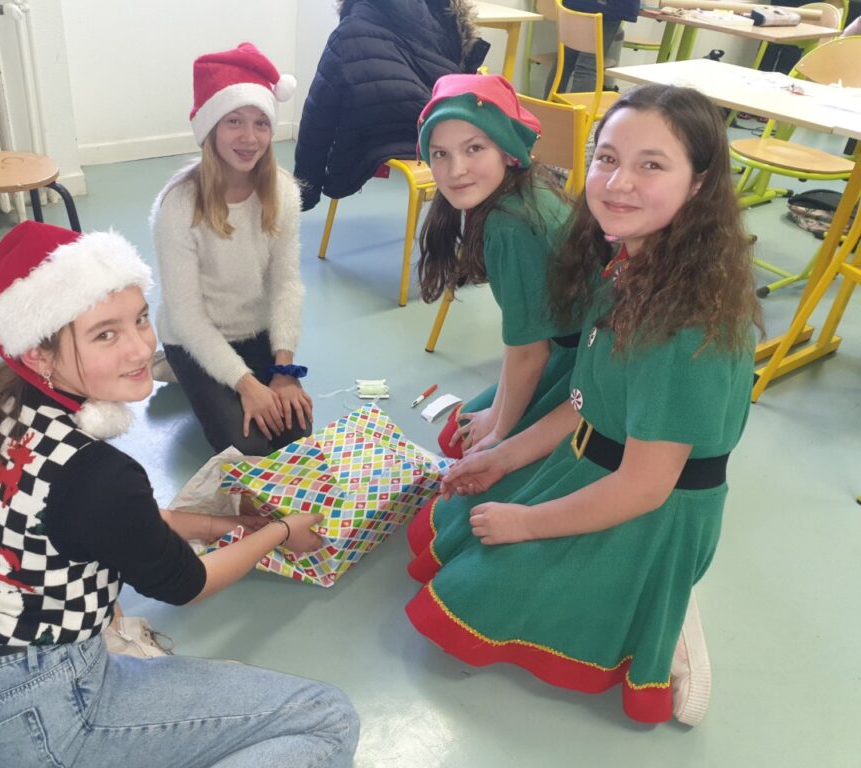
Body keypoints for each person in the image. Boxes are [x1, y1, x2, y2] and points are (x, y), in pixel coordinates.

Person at [0, 221, 360, 767]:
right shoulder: (99, 474)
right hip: (39, 721)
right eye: (105, 334)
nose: (141, 347)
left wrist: (223, 527)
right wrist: (281, 531)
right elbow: (189, 584)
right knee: (328, 717)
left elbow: (119, 524)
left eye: (141, 319)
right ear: (39, 355)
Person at [406, 85, 762, 726]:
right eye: (607, 158)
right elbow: (583, 401)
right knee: (461, 522)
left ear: (699, 184)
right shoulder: (627, 262)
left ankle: (664, 605)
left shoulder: (684, 327)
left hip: (651, 507)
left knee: (464, 600)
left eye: (651, 165)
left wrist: (526, 523)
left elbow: (645, 488)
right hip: (599, 457)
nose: (618, 182)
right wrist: (504, 455)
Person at [152, 42, 313, 455]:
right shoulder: (177, 205)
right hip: (192, 336)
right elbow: (186, 315)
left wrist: (284, 370)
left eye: (261, 123)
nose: (249, 137)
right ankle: (178, 368)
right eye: (234, 121)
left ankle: (224, 378)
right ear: (210, 128)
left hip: (254, 331)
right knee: (249, 448)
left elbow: (286, 285)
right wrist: (245, 384)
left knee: (295, 434)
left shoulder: (283, 192)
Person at [415, 73, 575, 468]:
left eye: (474, 148)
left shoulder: (510, 225)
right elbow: (524, 346)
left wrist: (500, 431)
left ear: (507, 151)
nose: (456, 170)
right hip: (561, 349)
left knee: (464, 446)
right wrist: (495, 415)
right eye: (440, 154)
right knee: (454, 438)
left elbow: (530, 354)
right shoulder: (519, 191)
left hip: (583, 367)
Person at [294, 0, 489, 211]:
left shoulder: (351, 29)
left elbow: (318, 112)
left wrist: (306, 189)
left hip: (376, 136)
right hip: (442, 127)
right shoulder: (443, 16)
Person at [544, 0, 637, 98]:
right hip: (606, 7)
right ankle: (579, 107)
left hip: (575, 4)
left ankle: (550, 106)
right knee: (587, 66)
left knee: (564, 63)